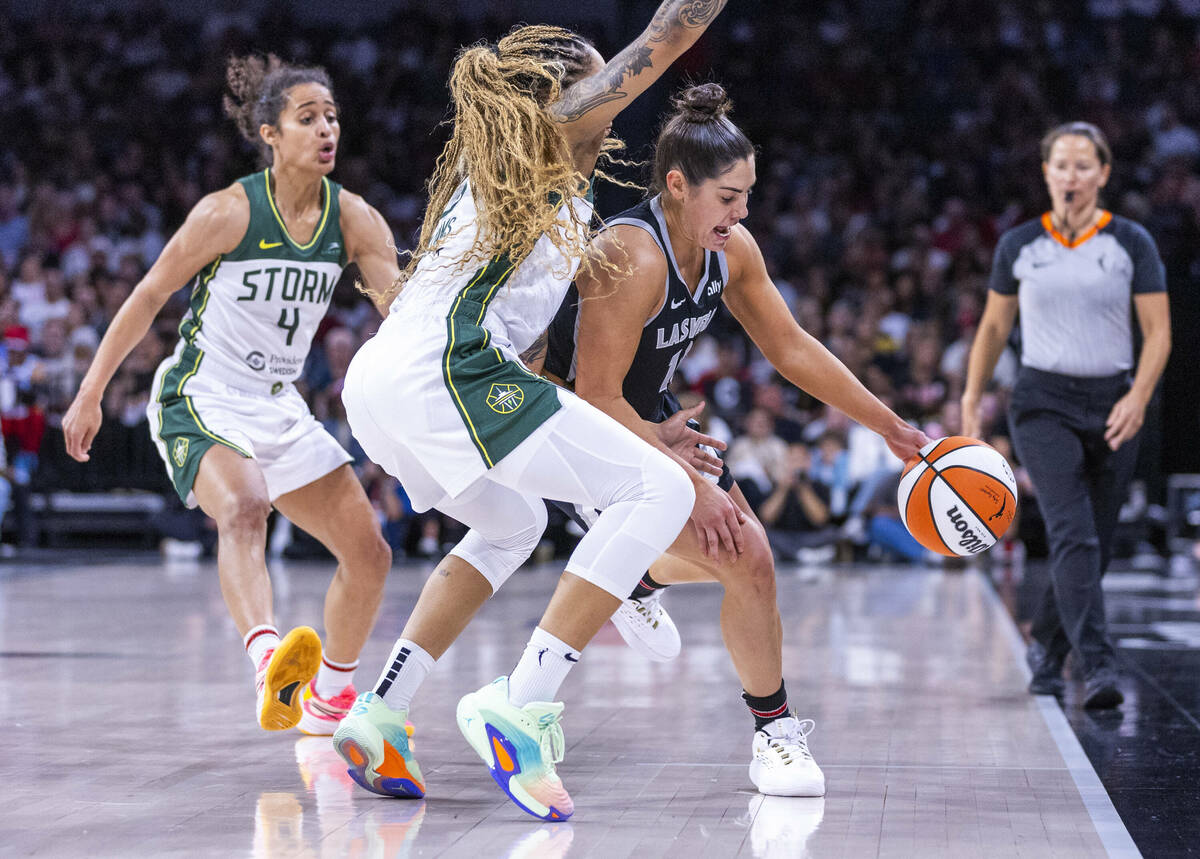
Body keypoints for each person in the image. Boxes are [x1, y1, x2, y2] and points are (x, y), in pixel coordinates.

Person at [333, 4, 731, 822]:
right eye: (596, 76)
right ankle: (522, 702)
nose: (609, 94)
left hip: (403, 379)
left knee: (514, 520)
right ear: (557, 93)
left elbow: (533, 363)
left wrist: (633, 436)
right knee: (659, 493)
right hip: (439, 371)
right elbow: (666, 41)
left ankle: (380, 712)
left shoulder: (564, 200)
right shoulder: (539, 141)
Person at [540, 83, 928, 797]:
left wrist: (892, 426)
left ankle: (639, 578)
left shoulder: (731, 249)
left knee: (750, 559)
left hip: (646, 416)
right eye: (728, 197)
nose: (742, 211)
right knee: (745, 549)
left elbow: (790, 346)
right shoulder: (630, 254)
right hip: (569, 423)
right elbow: (592, 394)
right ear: (678, 185)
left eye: (748, 195)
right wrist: (684, 477)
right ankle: (773, 733)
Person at [62, 56, 396, 735]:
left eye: (332, 117)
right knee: (244, 506)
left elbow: (406, 320)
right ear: (270, 133)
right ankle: (272, 663)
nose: (327, 129)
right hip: (202, 391)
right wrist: (91, 390)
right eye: (308, 119)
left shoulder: (355, 220)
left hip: (278, 402)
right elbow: (150, 294)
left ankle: (328, 699)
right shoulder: (229, 211)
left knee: (371, 554)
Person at [962, 121, 1170, 709]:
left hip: (1115, 403)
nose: (1071, 176)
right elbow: (996, 327)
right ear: (1046, 173)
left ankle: (1047, 652)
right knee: (1072, 531)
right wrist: (971, 398)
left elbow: (1158, 335)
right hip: (1041, 404)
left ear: (1103, 175)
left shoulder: (1131, 242)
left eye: (1084, 166)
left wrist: (1138, 396)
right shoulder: (1020, 244)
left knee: (1093, 543)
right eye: (1061, 165)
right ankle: (1099, 667)